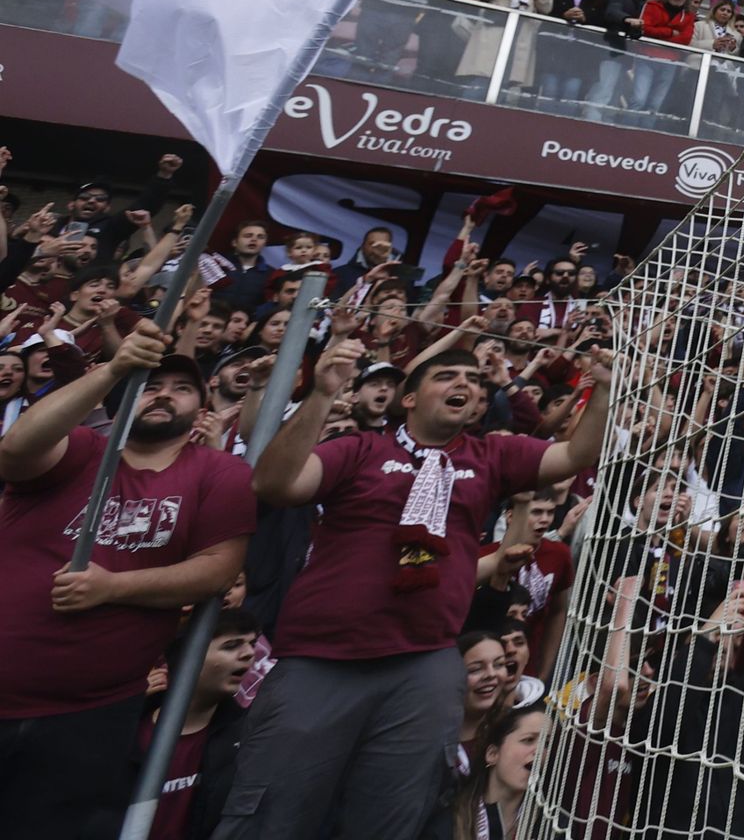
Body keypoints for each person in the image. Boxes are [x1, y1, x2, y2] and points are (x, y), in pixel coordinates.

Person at [208, 339, 612, 840]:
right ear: (410, 398)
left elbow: (576, 453)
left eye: (473, 380)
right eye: (447, 376)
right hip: (323, 659)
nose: (464, 383)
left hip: (424, 664)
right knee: (273, 815)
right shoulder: (360, 449)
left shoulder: (491, 456)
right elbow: (275, 485)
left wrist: (605, 389)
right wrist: (321, 394)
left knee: (391, 821)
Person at [0, 320, 255, 840]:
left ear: (201, 408)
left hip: (88, 713)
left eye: (181, 388)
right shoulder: (82, 449)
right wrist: (115, 368)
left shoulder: (218, 473)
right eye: (151, 385)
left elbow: (217, 568)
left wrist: (111, 587)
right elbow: (15, 450)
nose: (164, 396)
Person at [136, 608, 265, 840]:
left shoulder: (245, 737)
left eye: (252, 643)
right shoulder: (128, 728)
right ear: (187, 655)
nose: (248, 654)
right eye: (231, 645)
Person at [451, 702, 546, 840]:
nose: (540, 751)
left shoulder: (551, 827)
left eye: (547, 743)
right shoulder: (448, 821)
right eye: (528, 740)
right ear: (493, 754)